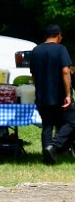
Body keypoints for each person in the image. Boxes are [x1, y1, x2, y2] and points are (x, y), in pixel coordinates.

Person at [28, 23, 75, 165]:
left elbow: (33, 75)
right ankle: (53, 146)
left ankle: (47, 158)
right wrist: (68, 94)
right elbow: (66, 71)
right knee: (72, 121)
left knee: (47, 125)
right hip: (59, 95)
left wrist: (38, 90)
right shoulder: (61, 49)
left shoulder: (35, 51)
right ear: (58, 36)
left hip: (42, 96)